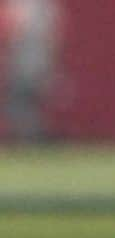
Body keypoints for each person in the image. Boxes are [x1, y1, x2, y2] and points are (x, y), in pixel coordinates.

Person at [1, 0, 61, 142]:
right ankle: (34, 137)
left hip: (26, 63)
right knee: (24, 104)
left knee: (19, 104)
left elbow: (12, 30)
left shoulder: (26, 6)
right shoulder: (43, 7)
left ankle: (34, 138)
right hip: (35, 62)